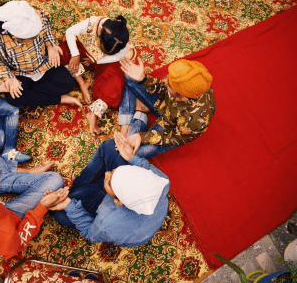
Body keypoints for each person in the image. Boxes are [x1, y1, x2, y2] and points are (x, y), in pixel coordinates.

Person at [49, 112, 170, 247]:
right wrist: (131, 157)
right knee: (111, 147)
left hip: (112, 217)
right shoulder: (159, 181)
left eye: (109, 181)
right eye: (114, 172)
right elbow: (145, 166)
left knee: (60, 214)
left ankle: (78, 193)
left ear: (117, 201)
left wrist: (68, 205)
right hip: (118, 203)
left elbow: (89, 233)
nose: (107, 173)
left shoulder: (107, 222)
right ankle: (86, 191)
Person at [0, 0, 82, 108]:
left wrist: (50, 45)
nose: (38, 35)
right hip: (20, 73)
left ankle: (32, 94)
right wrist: (9, 78)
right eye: (33, 37)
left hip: (42, 65)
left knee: (68, 84)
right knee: (13, 97)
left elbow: (46, 31)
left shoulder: (38, 16)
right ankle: (60, 99)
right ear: (16, 37)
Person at [118, 58, 216, 159]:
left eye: (169, 84)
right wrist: (143, 79)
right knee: (129, 76)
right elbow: (162, 87)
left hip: (170, 126)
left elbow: (173, 137)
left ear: (183, 97)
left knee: (131, 153)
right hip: (162, 103)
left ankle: (139, 114)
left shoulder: (195, 120)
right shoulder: (187, 79)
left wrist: (141, 137)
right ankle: (125, 128)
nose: (164, 80)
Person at [59, 15, 137, 136]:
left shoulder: (122, 44)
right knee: (61, 51)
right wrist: (75, 55)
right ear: (99, 33)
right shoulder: (93, 23)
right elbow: (70, 32)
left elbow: (116, 57)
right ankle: (81, 83)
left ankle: (93, 113)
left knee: (117, 77)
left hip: (99, 61)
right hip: (83, 52)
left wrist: (96, 60)